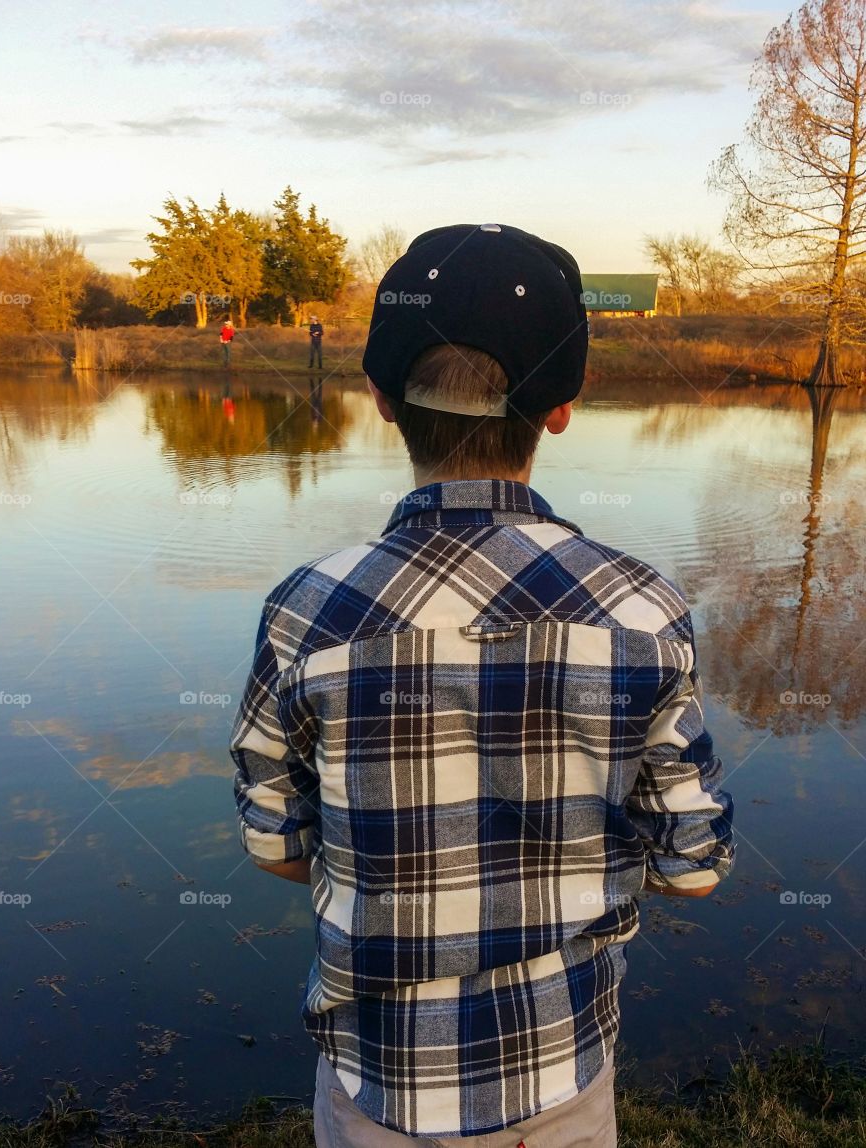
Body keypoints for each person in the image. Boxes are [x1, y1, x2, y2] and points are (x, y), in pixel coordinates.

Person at [231, 223, 734, 1148]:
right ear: (561, 407)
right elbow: (692, 868)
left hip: (373, 1087)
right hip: (561, 1085)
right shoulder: (641, 610)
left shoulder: (306, 611)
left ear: (379, 399)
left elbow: (276, 845)